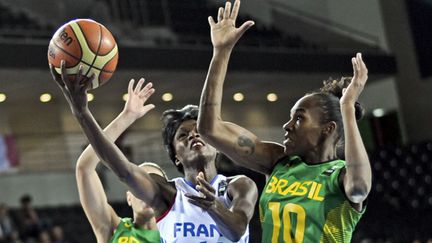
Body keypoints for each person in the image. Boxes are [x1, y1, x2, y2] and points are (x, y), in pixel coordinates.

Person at [197, 0, 372, 242]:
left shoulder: (340, 176)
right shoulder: (277, 161)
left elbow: (360, 188)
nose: (287, 125)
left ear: (327, 129)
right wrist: (221, 53)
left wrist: (347, 108)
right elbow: (209, 128)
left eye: (299, 118)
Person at [49, 64, 258, 242]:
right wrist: (82, 112)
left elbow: (237, 230)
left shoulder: (239, 185)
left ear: (215, 144)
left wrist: (214, 206)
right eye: (183, 136)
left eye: (199, 132)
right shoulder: (167, 197)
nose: (193, 136)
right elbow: (122, 170)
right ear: (176, 155)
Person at [73, 77, 161, 243]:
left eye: (154, 185)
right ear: (129, 197)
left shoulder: (175, 234)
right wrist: (127, 117)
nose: (146, 191)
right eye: (140, 184)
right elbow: (84, 168)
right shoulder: (114, 227)